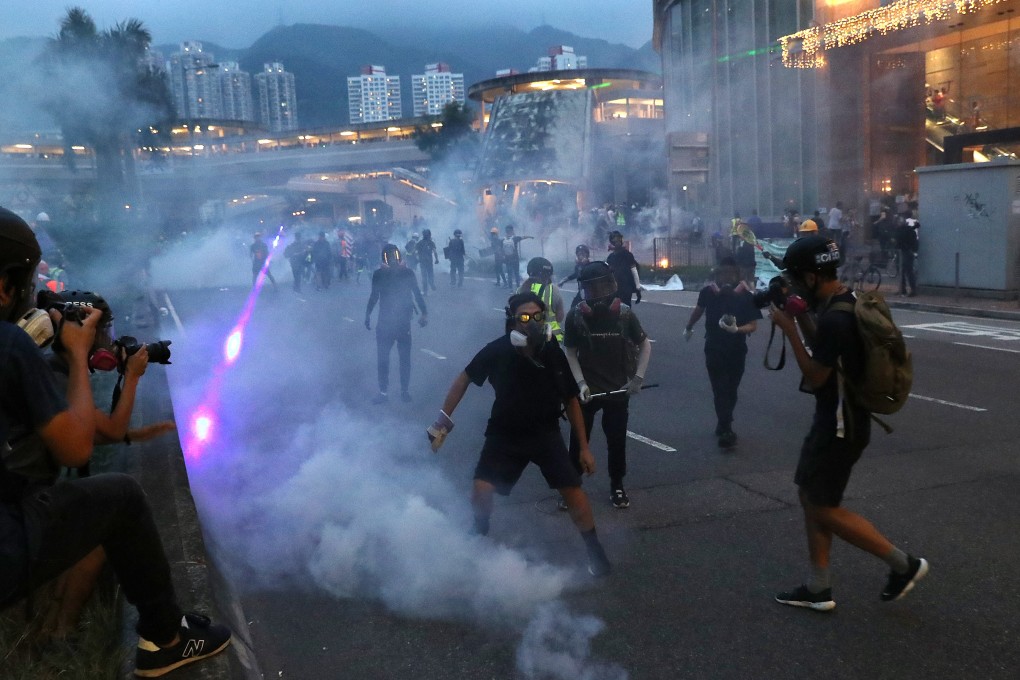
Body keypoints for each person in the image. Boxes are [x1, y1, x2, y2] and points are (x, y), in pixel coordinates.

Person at [0, 207, 231, 676]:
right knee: (122, 498)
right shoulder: (11, 348)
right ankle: (165, 638)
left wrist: (127, 381)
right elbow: (79, 449)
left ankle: (57, 626)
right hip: (6, 530)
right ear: (6, 283)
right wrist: (80, 357)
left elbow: (103, 428)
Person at [768, 235, 928, 612]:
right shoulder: (845, 302)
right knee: (812, 497)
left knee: (822, 506)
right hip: (839, 419)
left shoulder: (837, 318)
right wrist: (799, 317)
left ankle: (903, 565)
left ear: (811, 276)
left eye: (795, 277)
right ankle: (818, 586)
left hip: (841, 425)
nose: (792, 284)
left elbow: (816, 375)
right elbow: (826, 347)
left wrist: (788, 329)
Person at [426, 292, 612, 576]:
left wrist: (584, 448)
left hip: (545, 434)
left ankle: (595, 552)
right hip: (504, 434)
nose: (532, 323)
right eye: (525, 318)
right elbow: (464, 379)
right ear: (513, 322)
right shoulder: (498, 350)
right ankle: (479, 531)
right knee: (481, 490)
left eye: (538, 317)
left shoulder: (552, 353)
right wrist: (442, 421)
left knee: (573, 492)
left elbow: (571, 400)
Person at [562, 262, 651, 508]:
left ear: (611, 285)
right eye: (591, 289)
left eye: (602, 286)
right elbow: (569, 351)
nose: (597, 293)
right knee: (579, 442)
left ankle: (617, 485)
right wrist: (580, 383)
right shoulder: (577, 316)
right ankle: (572, 487)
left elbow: (645, 345)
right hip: (587, 392)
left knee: (616, 441)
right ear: (583, 290)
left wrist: (638, 379)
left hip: (618, 390)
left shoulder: (624, 314)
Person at [683, 257, 761, 447]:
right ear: (717, 274)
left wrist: (737, 330)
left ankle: (723, 421)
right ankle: (726, 428)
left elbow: (752, 325)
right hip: (714, 347)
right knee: (720, 388)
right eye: (722, 273)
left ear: (736, 274)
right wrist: (689, 326)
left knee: (731, 389)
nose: (726, 277)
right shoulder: (708, 293)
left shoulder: (746, 297)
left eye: (730, 273)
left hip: (736, 349)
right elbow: (698, 310)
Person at [365, 244, 428, 404]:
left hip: (395, 322)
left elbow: (374, 296)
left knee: (393, 358)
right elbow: (374, 296)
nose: (392, 259)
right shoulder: (402, 272)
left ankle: (392, 392)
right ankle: (393, 392)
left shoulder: (383, 273)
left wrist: (367, 315)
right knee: (391, 358)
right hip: (393, 323)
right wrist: (424, 313)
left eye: (393, 256)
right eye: (390, 256)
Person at [518, 257, 565, 343]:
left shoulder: (520, 290)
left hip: (525, 339)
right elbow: (560, 317)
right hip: (551, 340)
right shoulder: (553, 290)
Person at [606, 230, 643, 307]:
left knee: (625, 311)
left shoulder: (627, 255)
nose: (618, 242)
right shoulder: (610, 258)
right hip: (613, 290)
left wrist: (638, 288)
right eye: (615, 241)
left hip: (625, 289)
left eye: (619, 240)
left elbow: (634, 271)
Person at [559, 244, 591, 309]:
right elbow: (575, 275)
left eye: (582, 254)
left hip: (592, 291)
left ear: (587, 255)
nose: (580, 256)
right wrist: (564, 280)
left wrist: (586, 264)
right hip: (581, 292)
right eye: (579, 254)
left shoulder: (591, 264)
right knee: (573, 309)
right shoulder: (578, 266)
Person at [501, 224, 533, 289]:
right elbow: (523, 237)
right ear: (512, 231)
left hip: (507, 259)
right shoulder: (515, 238)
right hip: (515, 259)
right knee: (516, 274)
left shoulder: (503, 240)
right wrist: (530, 237)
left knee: (509, 275)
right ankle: (518, 288)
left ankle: (510, 289)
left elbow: (501, 249)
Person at [897, 217, 919, 297]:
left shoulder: (901, 231)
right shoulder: (910, 230)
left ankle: (904, 290)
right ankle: (911, 289)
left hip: (905, 252)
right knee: (908, 272)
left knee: (904, 271)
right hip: (910, 252)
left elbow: (899, 241)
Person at [415, 229, 439, 294]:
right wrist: (437, 259)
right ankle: (431, 283)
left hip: (422, 262)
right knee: (430, 274)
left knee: (424, 276)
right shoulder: (431, 242)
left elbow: (416, 253)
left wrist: (417, 259)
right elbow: (435, 252)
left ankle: (425, 291)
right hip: (429, 261)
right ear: (429, 235)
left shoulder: (419, 243)